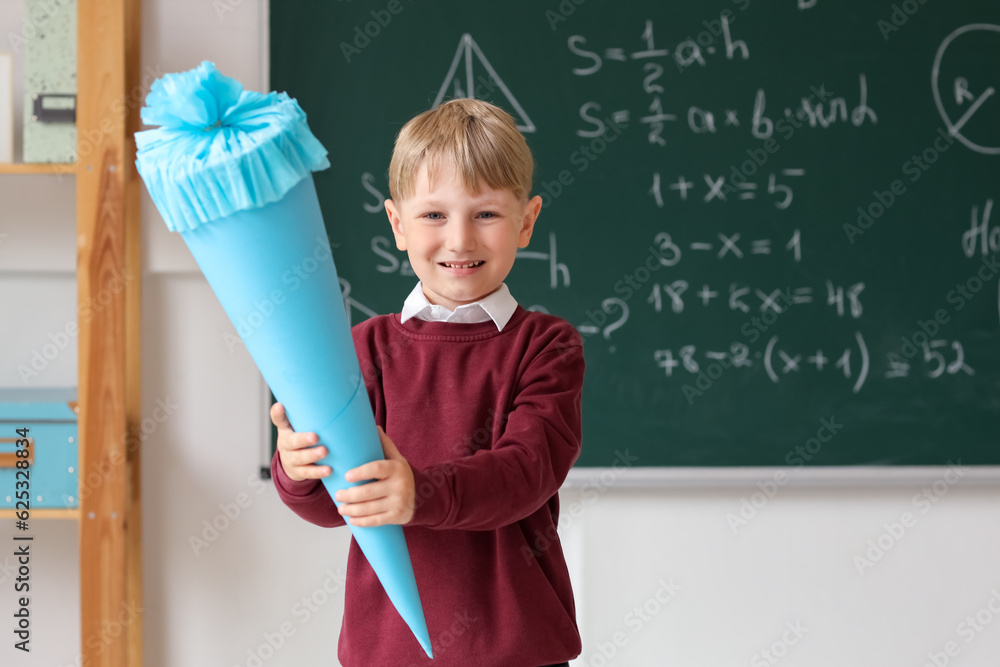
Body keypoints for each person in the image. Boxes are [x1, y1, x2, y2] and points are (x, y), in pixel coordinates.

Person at [270, 97, 584, 667]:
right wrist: (297, 470)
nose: (460, 240)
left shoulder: (547, 346)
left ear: (527, 221)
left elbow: (526, 472)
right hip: (388, 650)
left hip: (516, 650)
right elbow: (330, 507)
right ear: (397, 224)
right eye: (434, 215)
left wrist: (420, 493)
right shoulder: (361, 349)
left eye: (486, 214)